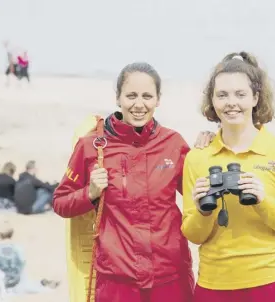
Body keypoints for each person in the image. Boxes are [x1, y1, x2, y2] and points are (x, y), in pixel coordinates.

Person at [53, 62, 216, 302]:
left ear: (158, 100)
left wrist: (210, 151)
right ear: (118, 98)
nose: (139, 105)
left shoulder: (173, 143)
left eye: (147, 96)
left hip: (170, 275)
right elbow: (60, 202)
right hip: (117, 280)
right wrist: (90, 193)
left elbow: (199, 195)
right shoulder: (91, 145)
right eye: (131, 96)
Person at [181, 51, 275, 302]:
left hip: (272, 282)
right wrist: (203, 211)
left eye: (240, 94)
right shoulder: (198, 157)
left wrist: (263, 201)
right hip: (214, 285)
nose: (231, 102)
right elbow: (193, 234)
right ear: (212, 101)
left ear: (255, 98)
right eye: (222, 95)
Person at [0, 220, 59, 295]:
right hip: (17, 284)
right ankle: (41, 283)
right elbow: (22, 265)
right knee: (28, 283)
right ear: (12, 233)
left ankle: (41, 283)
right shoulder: (19, 248)